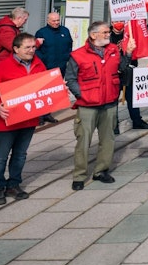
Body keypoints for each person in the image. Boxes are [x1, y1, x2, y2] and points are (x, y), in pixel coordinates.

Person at [0, 33, 46, 205]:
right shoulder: (2, 67)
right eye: (27, 47)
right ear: (16, 49)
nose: (32, 50)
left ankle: (13, 184)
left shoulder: (39, 65)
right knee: (0, 157)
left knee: (20, 155)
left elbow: (44, 87)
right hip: (6, 121)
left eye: (33, 47)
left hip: (28, 119)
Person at [65, 21, 129, 190]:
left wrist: (128, 54)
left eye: (108, 32)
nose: (108, 35)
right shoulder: (78, 55)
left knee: (107, 139)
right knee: (83, 141)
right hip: (87, 105)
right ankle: (79, 175)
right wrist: (82, 95)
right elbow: (70, 79)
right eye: (105, 32)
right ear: (93, 35)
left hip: (109, 103)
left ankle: (101, 170)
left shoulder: (113, 50)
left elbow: (122, 69)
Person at [34, 12, 72, 124]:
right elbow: (36, 50)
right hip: (46, 67)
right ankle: (39, 115)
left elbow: (69, 45)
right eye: (53, 21)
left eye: (57, 20)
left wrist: (66, 57)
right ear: (48, 21)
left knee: (53, 92)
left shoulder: (65, 31)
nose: (56, 23)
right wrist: (43, 61)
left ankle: (47, 113)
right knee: (42, 92)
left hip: (60, 66)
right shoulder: (41, 32)